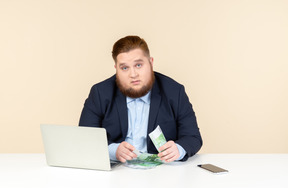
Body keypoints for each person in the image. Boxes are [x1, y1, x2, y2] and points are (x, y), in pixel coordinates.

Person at [79, 35, 202, 163]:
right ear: (116, 69)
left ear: (151, 62)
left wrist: (178, 149)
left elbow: (192, 137)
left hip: (162, 172)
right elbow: (84, 138)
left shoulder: (174, 91)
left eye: (138, 65)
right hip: (117, 170)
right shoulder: (100, 93)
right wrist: (113, 151)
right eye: (124, 68)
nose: (133, 74)